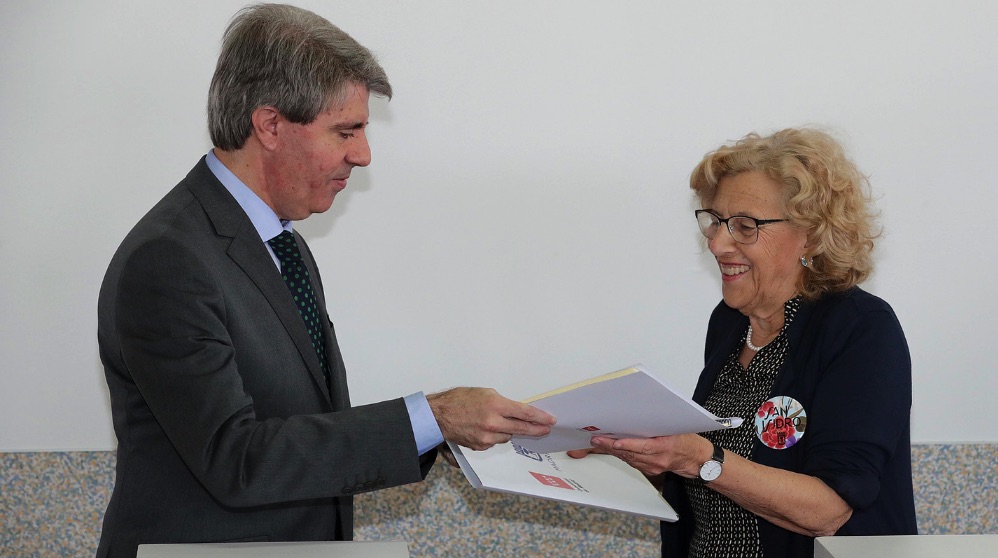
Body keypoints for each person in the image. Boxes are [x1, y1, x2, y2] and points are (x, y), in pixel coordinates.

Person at [95, 5, 554, 557]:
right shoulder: (170, 260)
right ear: (269, 125)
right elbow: (235, 458)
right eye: (346, 131)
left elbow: (304, 428)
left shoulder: (280, 243)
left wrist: (442, 430)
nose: (362, 155)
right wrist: (430, 417)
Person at [570, 128, 916, 556]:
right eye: (714, 220)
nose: (717, 243)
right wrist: (638, 456)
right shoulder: (730, 323)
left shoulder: (860, 327)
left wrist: (697, 458)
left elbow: (829, 510)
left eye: (745, 226)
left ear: (810, 233)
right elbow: (711, 481)